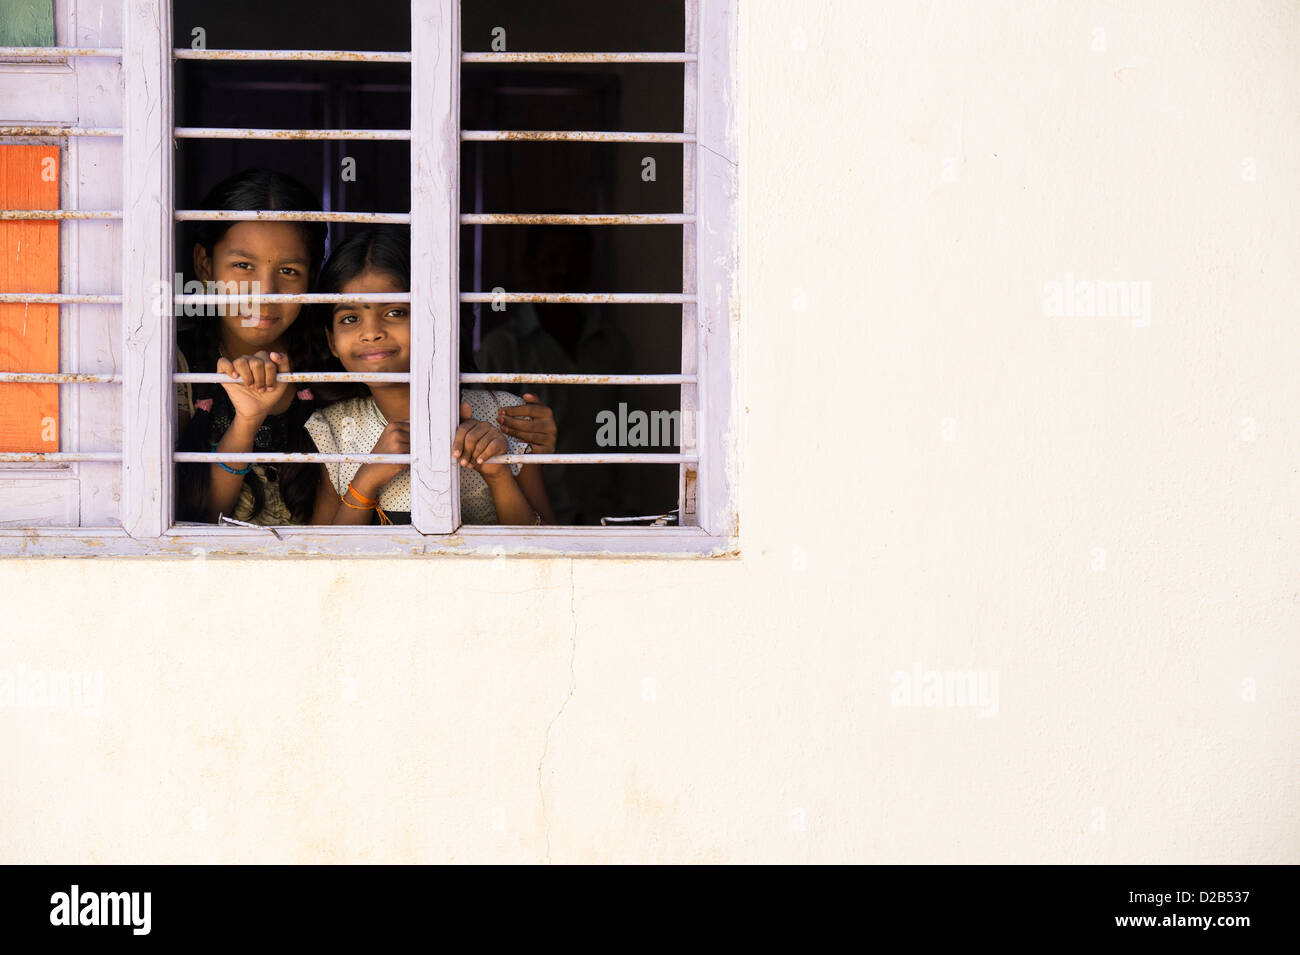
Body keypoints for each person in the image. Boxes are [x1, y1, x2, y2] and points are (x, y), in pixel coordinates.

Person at [303, 227, 556, 526]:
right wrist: (366, 480)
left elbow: (546, 541)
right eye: (350, 318)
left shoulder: (505, 418)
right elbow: (323, 556)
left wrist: (498, 474)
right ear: (331, 341)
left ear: (435, 318)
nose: (370, 332)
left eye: (395, 312)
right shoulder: (332, 429)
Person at [174, 168, 327, 525]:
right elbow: (193, 520)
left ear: (312, 277)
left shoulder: (334, 363)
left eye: (288, 271)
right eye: (243, 265)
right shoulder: (176, 365)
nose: (265, 291)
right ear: (205, 265)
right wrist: (248, 419)